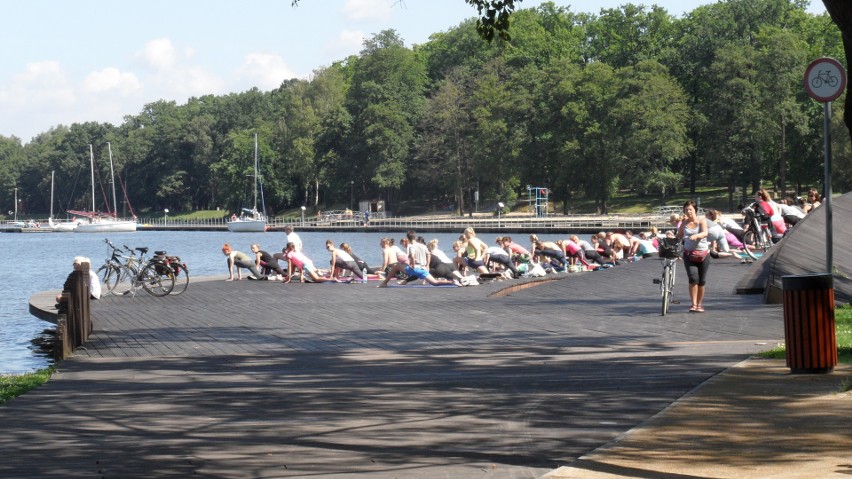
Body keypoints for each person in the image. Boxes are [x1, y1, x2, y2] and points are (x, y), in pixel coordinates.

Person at [677, 200, 710, 312]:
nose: (688, 211)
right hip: (689, 254)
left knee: (702, 281)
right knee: (693, 278)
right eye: (686, 210)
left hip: (703, 254)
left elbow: (705, 233)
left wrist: (696, 235)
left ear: (695, 210)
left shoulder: (702, 220)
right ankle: (693, 304)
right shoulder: (684, 222)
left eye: (690, 209)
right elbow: (679, 235)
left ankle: (699, 304)